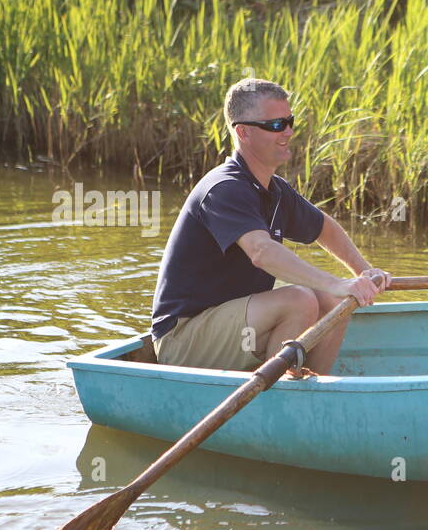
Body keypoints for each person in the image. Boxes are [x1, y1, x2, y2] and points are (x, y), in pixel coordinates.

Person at [151, 78, 390, 373]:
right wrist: (336, 281)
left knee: (332, 301)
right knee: (299, 300)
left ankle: (313, 390)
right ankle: (281, 399)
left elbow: (325, 228)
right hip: (182, 340)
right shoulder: (224, 188)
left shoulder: (275, 191)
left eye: (289, 121)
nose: (288, 132)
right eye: (276, 125)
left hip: (231, 326)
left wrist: (362, 271)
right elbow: (261, 252)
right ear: (244, 132)